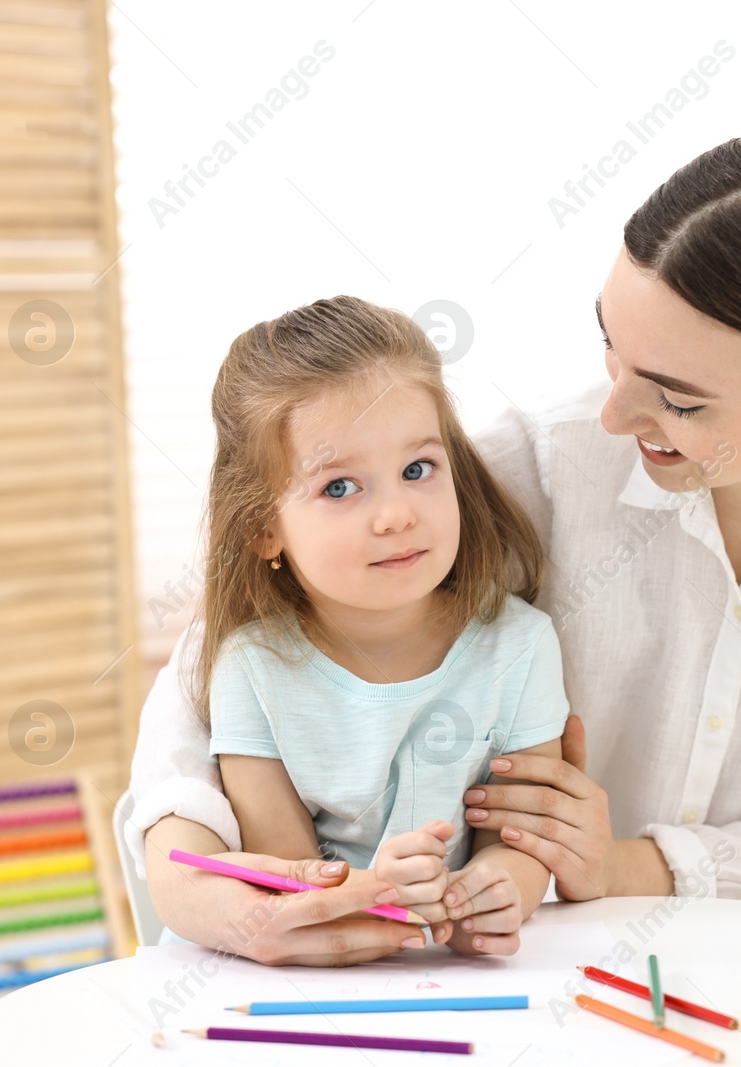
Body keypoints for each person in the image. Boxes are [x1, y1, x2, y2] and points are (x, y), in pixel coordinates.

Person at [126, 135, 741, 966]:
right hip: (567, 935)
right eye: (613, 351)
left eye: (678, 399)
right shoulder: (548, 458)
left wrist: (624, 862)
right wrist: (185, 873)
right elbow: (240, 641)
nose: (614, 417)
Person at [158, 296, 568, 958]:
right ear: (265, 528)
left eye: (417, 469)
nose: (397, 514)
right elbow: (295, 879)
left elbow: (519, 846)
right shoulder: (251, 668)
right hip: (318, 977)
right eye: (341, 488)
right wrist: (381, 887)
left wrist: (492, 892)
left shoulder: (520, 644)